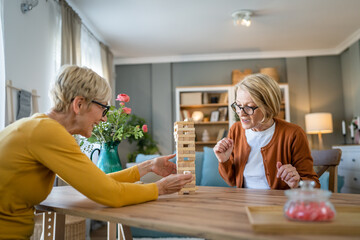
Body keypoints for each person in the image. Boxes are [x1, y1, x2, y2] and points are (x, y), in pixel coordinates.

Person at [0, 65, 193, 239]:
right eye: (103, 108)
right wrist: (160, 188)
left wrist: (148, 166)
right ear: (79, 104)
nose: (104, 118)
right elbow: (110, 194)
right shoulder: (48, 133)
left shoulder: (37, 125)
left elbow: (98, 182)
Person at [214, 73, 320, 190]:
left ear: (268, 107)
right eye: (238, 105)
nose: (241, 113)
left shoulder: (293, 134)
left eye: (249, 107)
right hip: (243, 202)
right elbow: (231, 181)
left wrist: (297, 183)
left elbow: (314, 185)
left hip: (278, 204)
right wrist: (224, 160)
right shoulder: (235, 130)